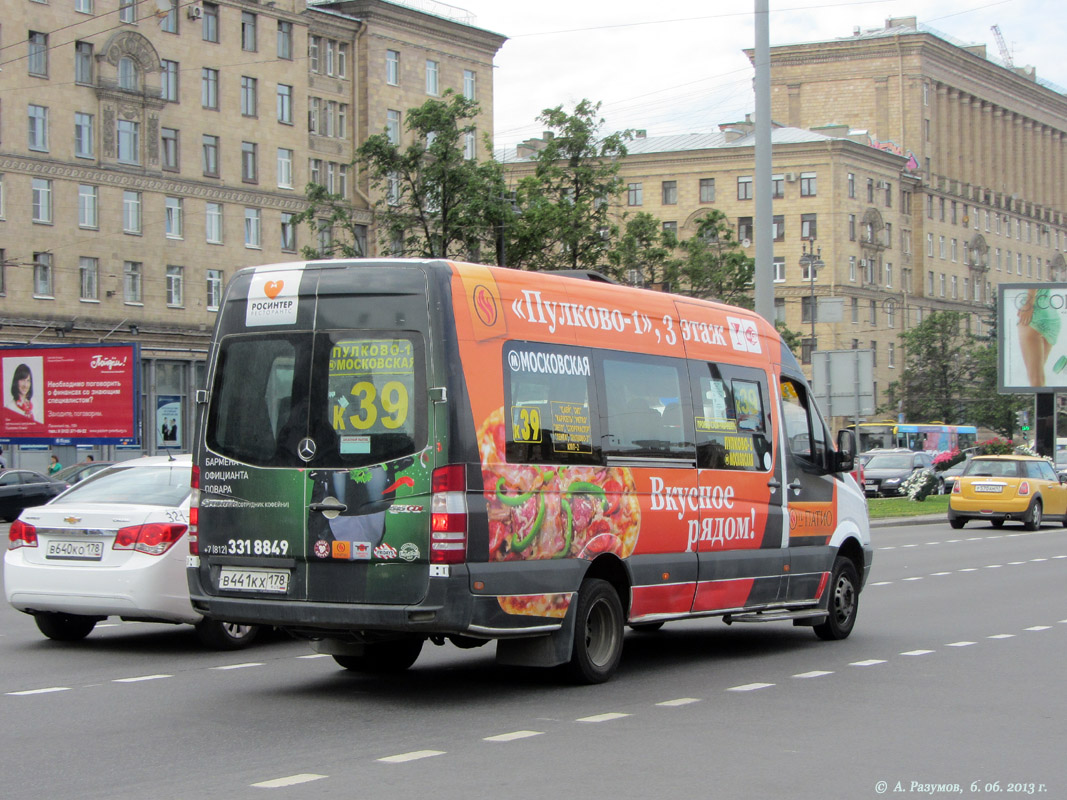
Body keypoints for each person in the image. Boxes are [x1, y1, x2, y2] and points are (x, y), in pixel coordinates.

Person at [1017, 288, 1061, 387]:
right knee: (1038, 376)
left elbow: (1033, 284)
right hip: (1051, 315)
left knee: (1035, 379)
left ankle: (1044, 400)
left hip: (1034, 316)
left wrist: (1028, 305)